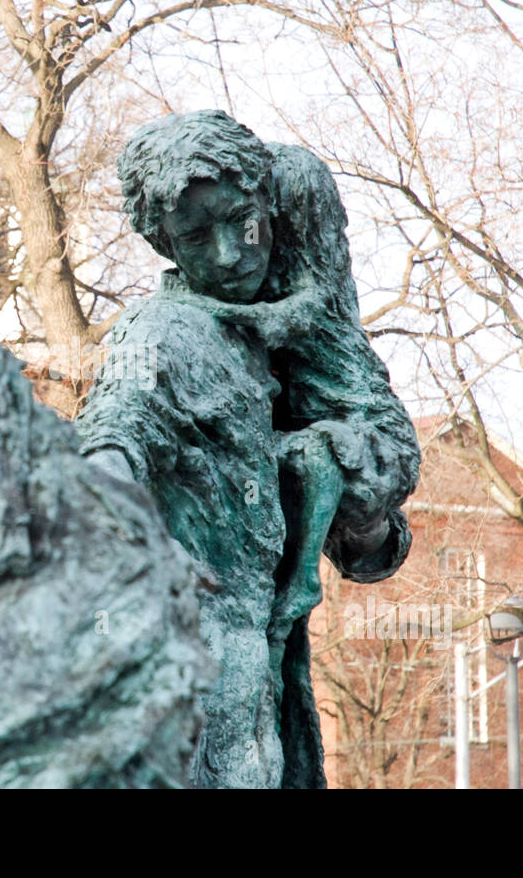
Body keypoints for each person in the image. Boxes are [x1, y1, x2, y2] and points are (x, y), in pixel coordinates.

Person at [76, 110, 419, 788]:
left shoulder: (289, 321)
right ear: (164, 244)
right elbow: (121, 413)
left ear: (269, 203)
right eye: (196, 237)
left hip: (258, 689)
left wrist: (350, 500)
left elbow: (370, 546)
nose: (230, 254)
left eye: (243, 222)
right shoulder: (159, 331)